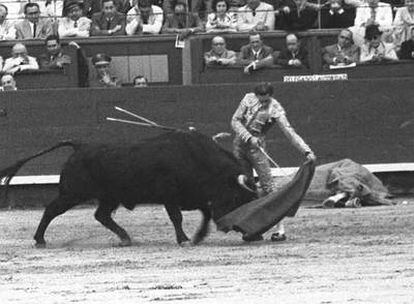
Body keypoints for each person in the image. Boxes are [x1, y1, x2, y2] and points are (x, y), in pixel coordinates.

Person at [231, 82, 316, 242]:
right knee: (245, 187)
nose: (262, 103)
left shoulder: (275, 108)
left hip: (257, 149)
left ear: (270, 96)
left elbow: (289, 132)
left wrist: (306, 150)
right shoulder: (248, 98)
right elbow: (235, 121)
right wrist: (249, 137)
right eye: (260, 99)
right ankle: (252, 229)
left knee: (269, 187)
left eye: (265, 100)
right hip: (239, 146)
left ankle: (280, 230)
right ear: (256, 95)